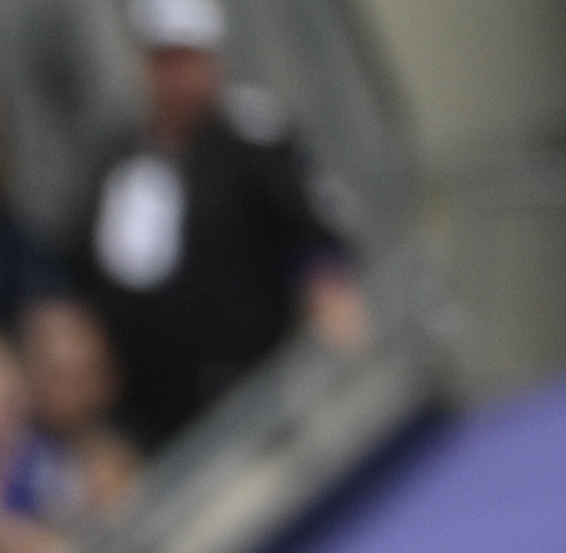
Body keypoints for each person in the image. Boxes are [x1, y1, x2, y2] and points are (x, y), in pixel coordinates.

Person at [71, 0, 359, 448]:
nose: (178, 75)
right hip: (159, 422)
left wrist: (329, 294)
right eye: (164, 60)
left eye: (190, 58)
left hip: (263, 395)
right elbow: (86, 271)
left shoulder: (253, 136)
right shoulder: (118, 161)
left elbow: (315, 238)